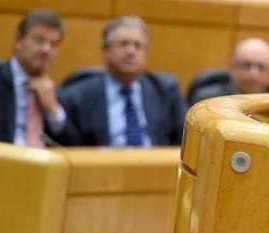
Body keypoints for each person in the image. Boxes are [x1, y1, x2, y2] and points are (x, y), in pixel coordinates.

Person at [59, 16, 187, 147]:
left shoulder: (165, 91)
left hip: (154, 165)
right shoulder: (78, 96)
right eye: (123, 44)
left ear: (146, 53)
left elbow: (184, 139)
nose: (131, 51)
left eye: (138, 45)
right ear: (106, 51)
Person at [0, 10, 75, 147]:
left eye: (54, 44)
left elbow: (75, 146)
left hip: (41, 165)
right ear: (18, 40)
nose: (46, 49)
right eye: (38, 40)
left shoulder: (56, 92)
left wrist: (53, 111)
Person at [187, 38, 269, 106]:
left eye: (261, 67)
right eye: (246, 65)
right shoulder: (206, 102)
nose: (253, 74)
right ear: (231, 67)